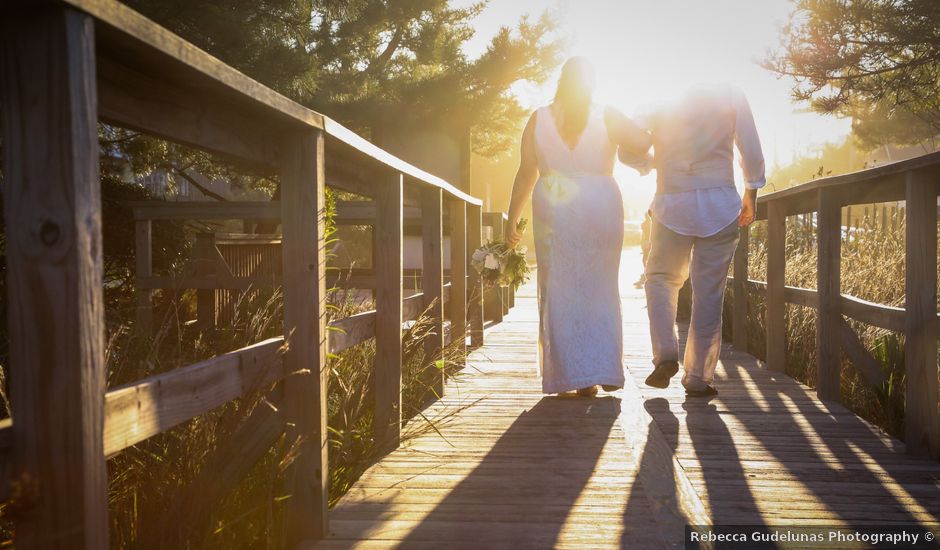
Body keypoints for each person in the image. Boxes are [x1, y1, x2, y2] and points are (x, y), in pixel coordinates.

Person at [505, 57, 651, 397]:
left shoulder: (539, 118)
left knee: (559, 286)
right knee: (599, 286)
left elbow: (526, 172)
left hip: (553, 205)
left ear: (561, 82)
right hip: (599, 202)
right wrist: (652, 121)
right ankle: (601, 368)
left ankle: (569, 375)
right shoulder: (607, 114)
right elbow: (642, 143)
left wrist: (511, 219)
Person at [639, 84, 764, 396]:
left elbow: (630, 144)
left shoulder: (660, 93)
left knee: (660, 280)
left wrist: (649, 162)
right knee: (709, 292)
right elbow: (750, 146)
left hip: (672, 203)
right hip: (720, 204)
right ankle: (698, 376)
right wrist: (751, 192)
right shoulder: (730, 90)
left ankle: (665, 355)